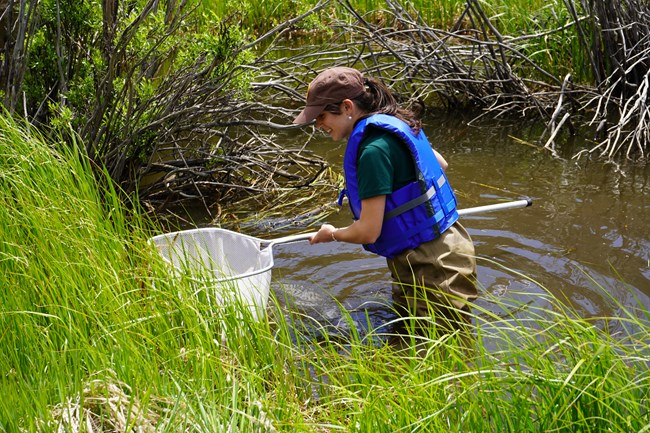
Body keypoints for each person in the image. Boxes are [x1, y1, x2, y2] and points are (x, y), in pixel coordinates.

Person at [293, 66, 477, 346]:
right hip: (443, 247)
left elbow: (368, 232)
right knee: (409, 346)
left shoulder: (372, 150)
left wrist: (331, 234)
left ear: (347, 107)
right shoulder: (397, 123)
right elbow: (440, 164)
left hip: (434, 263)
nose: (318, 124)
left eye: (322, 116)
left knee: (443, 356)